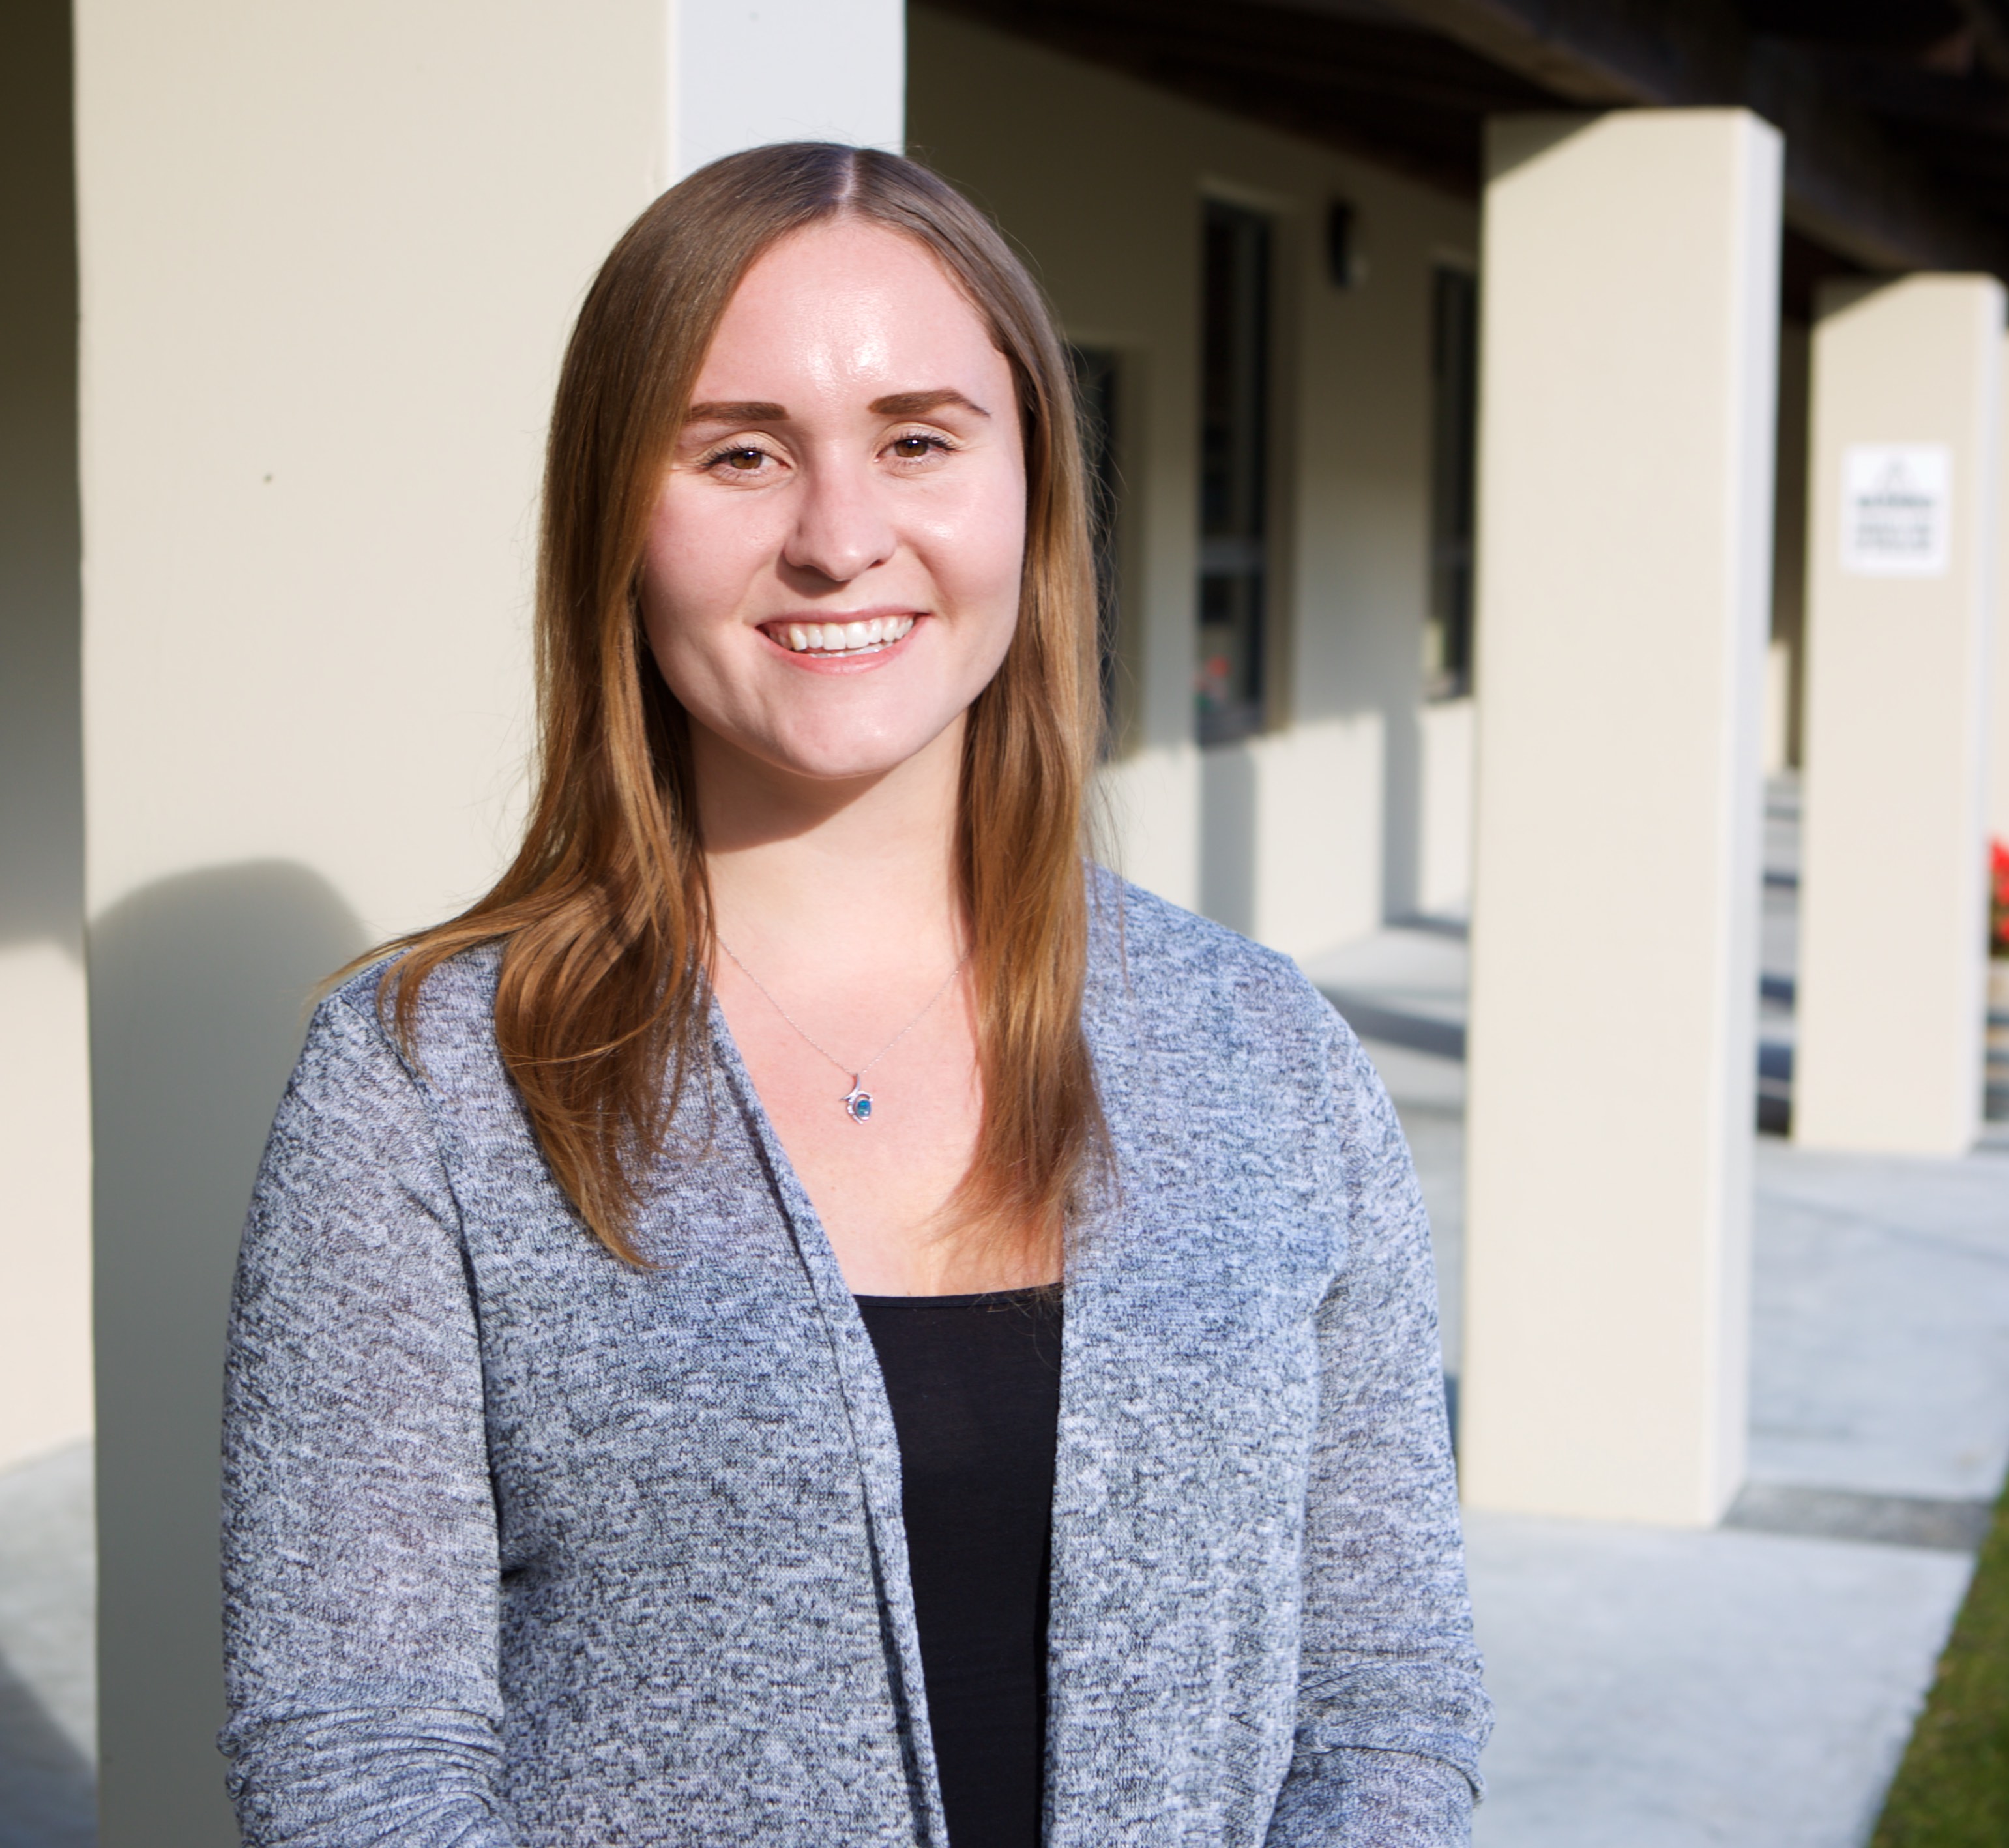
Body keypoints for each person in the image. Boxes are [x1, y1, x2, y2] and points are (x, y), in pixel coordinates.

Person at [219, 141, 1488, 1847]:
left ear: (1027, 487)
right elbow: (357, 1756)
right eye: (739, 452)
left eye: (917, 440)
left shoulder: (1271, 1058)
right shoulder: (426, 1087)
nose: (839, 536)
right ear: (619, 511)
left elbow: (1388, 1698)